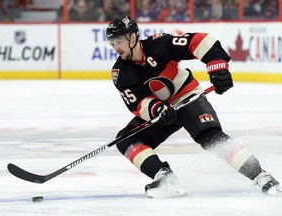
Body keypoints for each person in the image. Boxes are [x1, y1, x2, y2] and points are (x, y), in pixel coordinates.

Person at [105, 16, 282, 198]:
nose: (116, 47)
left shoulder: (159, 45)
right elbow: (137, 103)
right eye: (112, 43)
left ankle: (262, 176)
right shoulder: (120, 72)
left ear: (133, 37)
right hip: (163, 112)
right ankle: (165, 178)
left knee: (211, 138)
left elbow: (199, 41)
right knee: (125, 140)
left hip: (188, 98)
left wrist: (217, 65)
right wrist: (157, 109)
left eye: (119, 41)